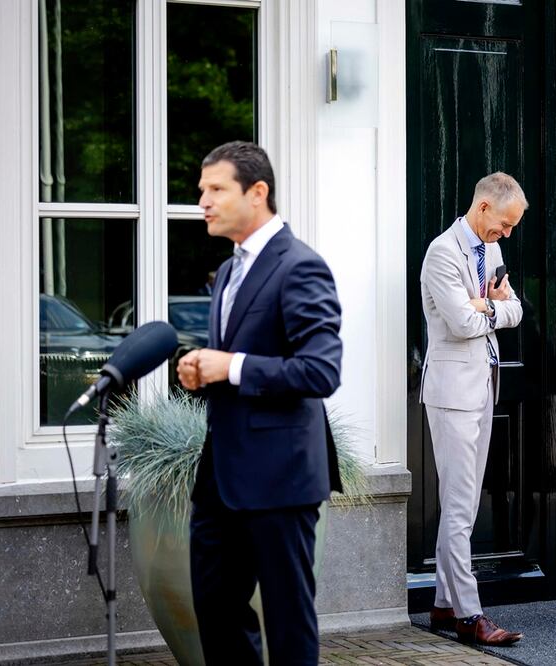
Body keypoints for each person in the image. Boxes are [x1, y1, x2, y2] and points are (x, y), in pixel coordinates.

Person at [177, 141, 343, 664]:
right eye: (202, 190)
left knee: (289, 623)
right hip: (221, 478)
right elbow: (238, 359)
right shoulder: (228, 271)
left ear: (258, 192)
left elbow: (322, 370)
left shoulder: (300, 266)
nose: (203, 200)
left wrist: (233, 366)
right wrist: (203, 369)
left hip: (281, 478)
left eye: (216, 189)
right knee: (216, 610)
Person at [420, 172, 526, 646]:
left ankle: (443, 606)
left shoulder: (493, 250)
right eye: (504, 224)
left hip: (484, 386)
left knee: (462, 503)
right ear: (483, 207)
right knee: (460, 507)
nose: (507, 235)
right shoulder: (442, 252)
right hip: (452, 394)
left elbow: (515, 309)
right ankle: (469, 614)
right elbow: (462, 323)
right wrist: (489, 307)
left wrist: (485, 306)